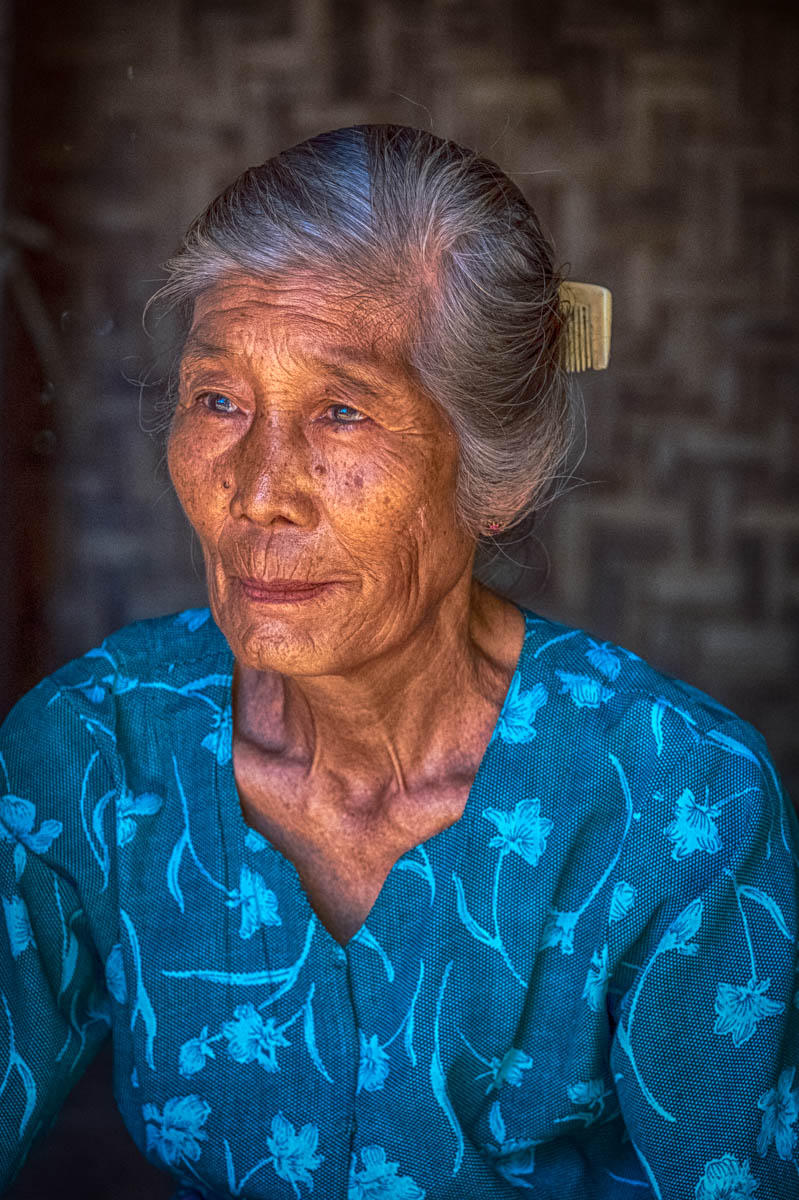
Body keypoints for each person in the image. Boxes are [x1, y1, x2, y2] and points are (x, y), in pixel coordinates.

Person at [1, 124, 797, 1200]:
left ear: (495, 477)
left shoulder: (674, 811)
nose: (258, 490)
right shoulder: (93, 757)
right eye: (220, 400)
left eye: (341, 410)